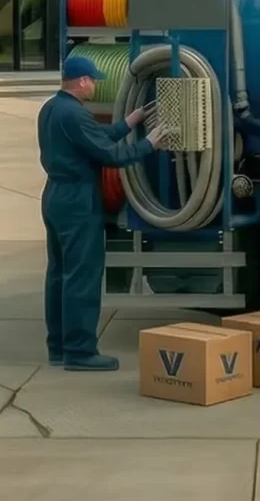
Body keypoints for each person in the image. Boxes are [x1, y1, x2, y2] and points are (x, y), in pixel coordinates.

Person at [38, 55, 168, 371]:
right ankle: (80, 352)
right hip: (77, 200)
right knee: (82, 276)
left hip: (55, 195)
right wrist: (149, 144)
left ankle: (58, 347)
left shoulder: (52, 108)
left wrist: (129, 122)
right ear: (82, 81)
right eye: (93, 80)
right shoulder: (75, 114)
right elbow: (109, 155)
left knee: (59, 274)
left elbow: (93, 139)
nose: (95, 85)